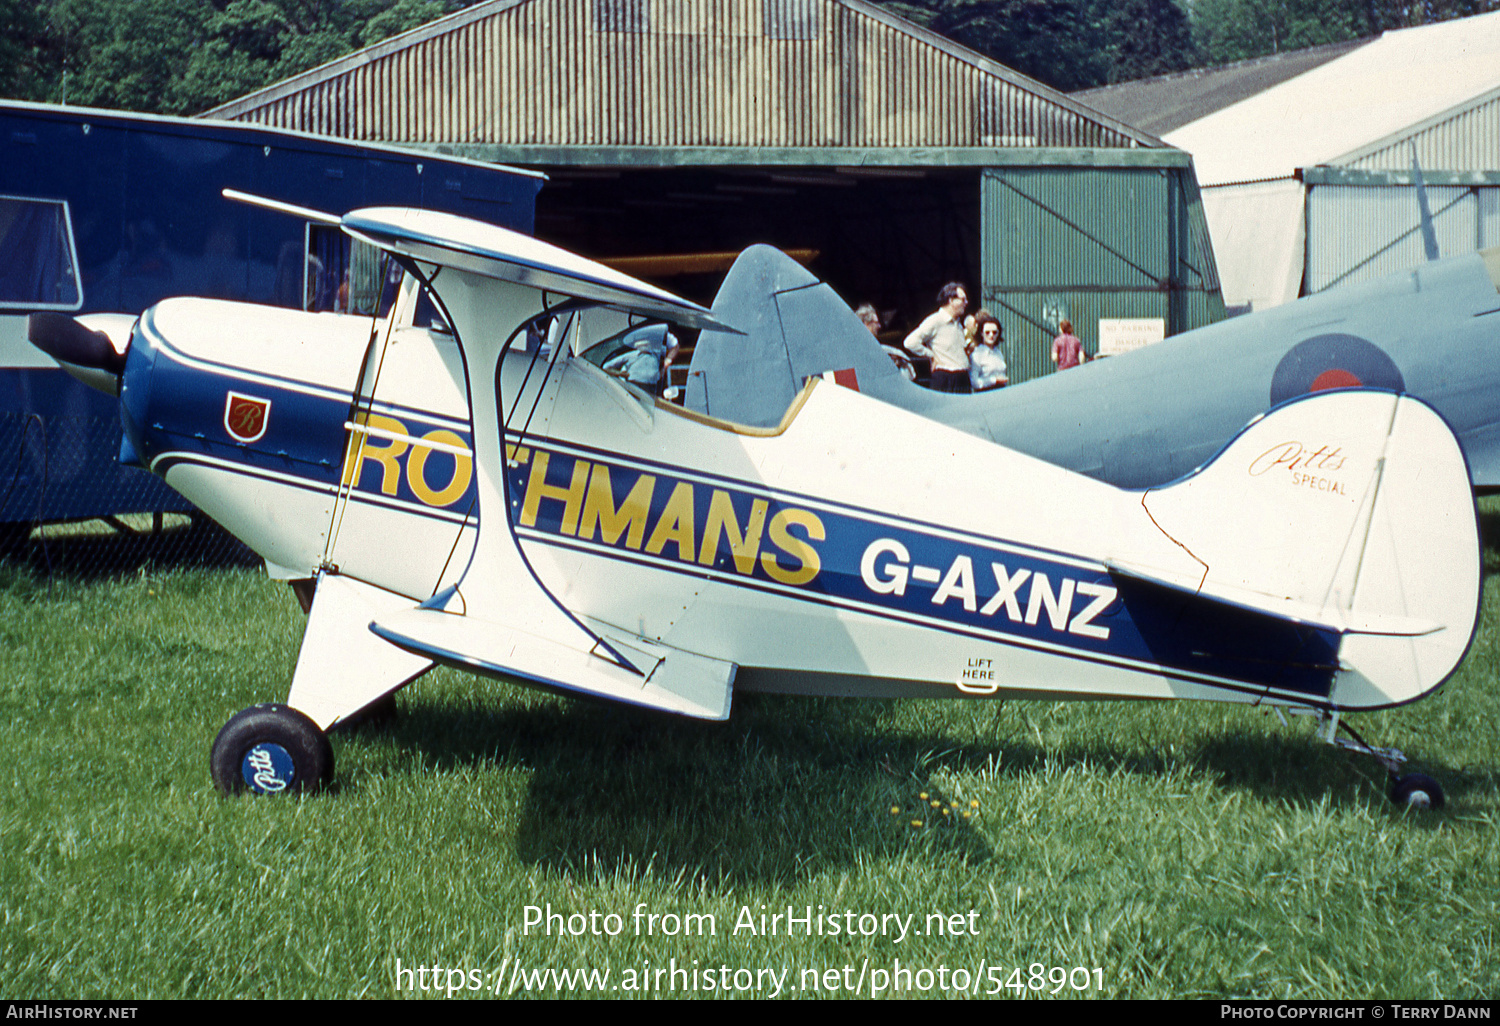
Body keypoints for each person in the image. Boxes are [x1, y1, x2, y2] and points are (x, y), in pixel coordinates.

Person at [904, 282, 970, 393]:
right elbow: (910, 342)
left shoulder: (958, 323)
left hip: (962, 377)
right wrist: (931, 355)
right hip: (946, 378)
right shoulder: (935, 320)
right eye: (963, 299)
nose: (966, 303)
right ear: (951, 300)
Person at [603, 324, 679, 393]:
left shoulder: (656, 353)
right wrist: (619, 373)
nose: (644, 345)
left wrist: (666, 364)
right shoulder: (630, 355)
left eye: (647, 343)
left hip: (652, 389)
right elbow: (606, 367)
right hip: (634, 387)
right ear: (636, 345)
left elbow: (674, 346)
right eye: (640, 343)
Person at [968, 313, 1008, 392]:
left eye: (994, 332)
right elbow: (974, 382)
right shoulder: (977, 355)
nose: (991, 335)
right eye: (987, 332)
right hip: (985, 394)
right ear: (981, 333)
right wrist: (994, 380)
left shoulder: (998, 353)